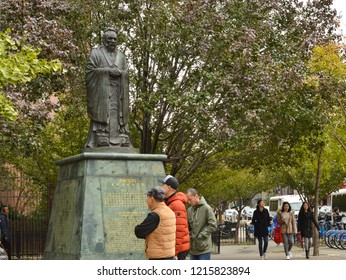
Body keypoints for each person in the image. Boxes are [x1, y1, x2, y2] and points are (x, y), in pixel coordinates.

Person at [85, 27, 131, 148]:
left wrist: (122, 74)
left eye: (115, 39)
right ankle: (102, 135)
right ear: (104, 40)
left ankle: (122, 136)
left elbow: (126, 73)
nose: (113, 41)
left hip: (118, 93)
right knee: (105, 113)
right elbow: (90, 72)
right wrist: (107, 72)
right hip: (103, 93)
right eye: (110, 38)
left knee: (118, 113)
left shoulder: (121, 56)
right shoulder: (96, 53)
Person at [134, 186, 176, 260]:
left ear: (152, 199)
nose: (146, 201)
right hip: (169, 255)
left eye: (147, 198)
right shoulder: (170, 211)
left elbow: (139, 232)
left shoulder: (155, 215)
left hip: (158, 257)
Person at [160, 175, 190, 260]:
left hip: (177, 250)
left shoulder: (176, 204)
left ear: (169, 187)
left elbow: (179, 230)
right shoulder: (170, 202)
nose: (161, 187)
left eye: (163, 184)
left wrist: (175, 252)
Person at [186, 188, 217, 260]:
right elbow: (188, 226)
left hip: (204, 247)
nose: (188, 202)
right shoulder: (189, 210)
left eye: (190, 199)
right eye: (187, 200)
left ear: (196, 196)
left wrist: (202, 235)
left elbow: (213, 225)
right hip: (193, 248)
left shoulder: (207, 208)